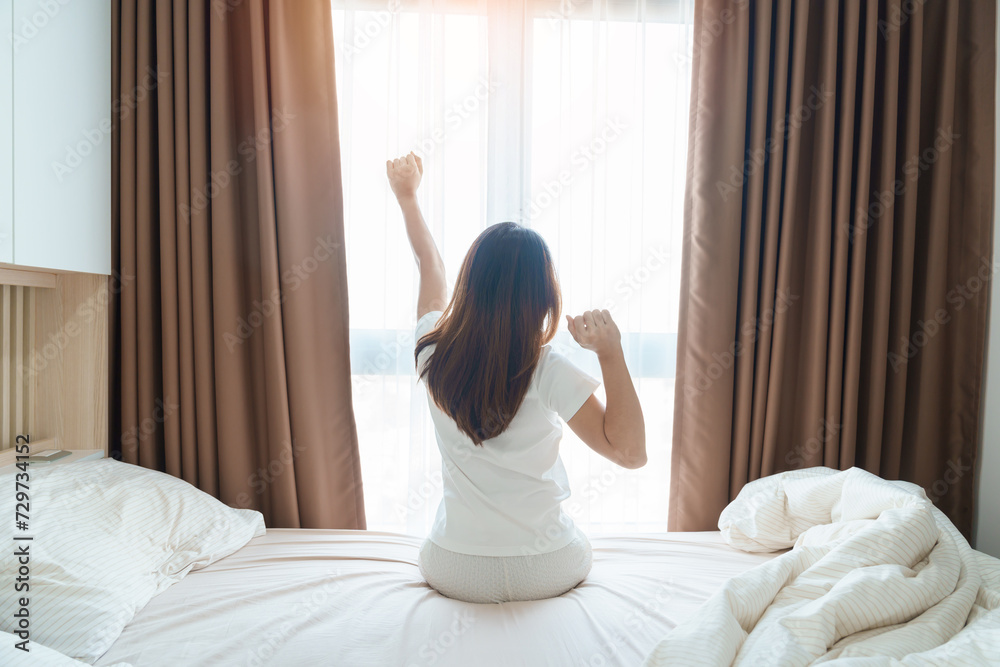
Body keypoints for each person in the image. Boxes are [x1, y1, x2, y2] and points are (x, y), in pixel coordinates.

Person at [386, 151, 646, 604]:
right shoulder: (545, 368)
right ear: (544, 298)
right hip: (544, 568)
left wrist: (407, 196)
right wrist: (610, 352)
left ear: (469, 286)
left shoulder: (430, 349)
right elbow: (631, 454)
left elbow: (431, 267)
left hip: (454, 568)